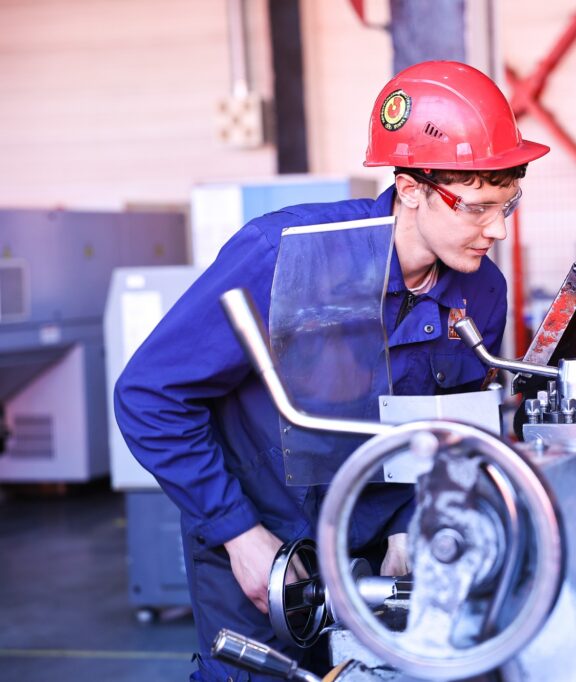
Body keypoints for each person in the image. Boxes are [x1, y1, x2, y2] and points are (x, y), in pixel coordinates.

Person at [114, 60, 549, 682]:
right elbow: (149, 396)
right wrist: (238, 533)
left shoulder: (481, 291)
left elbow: (450, 429)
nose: (498, 230)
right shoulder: (283, 257)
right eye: (478, 208)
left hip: (385, 549)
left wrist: (411, 523)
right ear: (410, 188)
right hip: (265, 541)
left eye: (507, 205)